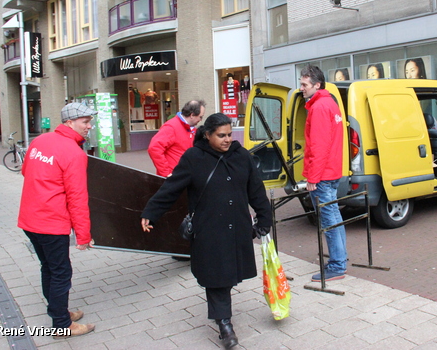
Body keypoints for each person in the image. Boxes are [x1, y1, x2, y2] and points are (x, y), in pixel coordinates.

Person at [141, 113, 272, 349]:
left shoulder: (241, 156)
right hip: (209, 230)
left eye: (230, 135)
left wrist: (264, 218)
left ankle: (223, 313)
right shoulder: (193, 158)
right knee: (216, 279)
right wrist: (151, 212)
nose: (226, 139)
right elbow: (171, 188)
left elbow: (256, 190)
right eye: (221, 135)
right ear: (208, 135)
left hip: (237, 229)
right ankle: (225, 325)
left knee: (229, 274)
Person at [18, 102, 97, 338]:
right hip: (51, 223)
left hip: (29, 219)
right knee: (61, 272)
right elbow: (77, 198)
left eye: (89, 121)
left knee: (48, 268)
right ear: (69, 122)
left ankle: (58, 310)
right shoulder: (73, 152)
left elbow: (25, 171)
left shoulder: (39, 141)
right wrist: (83, 235)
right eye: (85, 122)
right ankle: (62, 325)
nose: (89, 126)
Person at [299, 64, 347, 281]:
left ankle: (337, 266)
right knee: (334, 218)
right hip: (333, 171)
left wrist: (313, 178)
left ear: (316, 85)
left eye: (304, 84)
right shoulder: (331, 104)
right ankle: (340, 260)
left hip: (323, 175)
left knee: (329, 221)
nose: (301, 88)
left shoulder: (319, 107)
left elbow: (318, 147)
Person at [148, 100, 206, 178]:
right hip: (175, 177)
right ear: (192, 115)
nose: (200, 120)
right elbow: (154, 148)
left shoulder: (190, 129)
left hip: (184, 175)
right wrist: (166, 173)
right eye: (200, 117)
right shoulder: (171, 127)